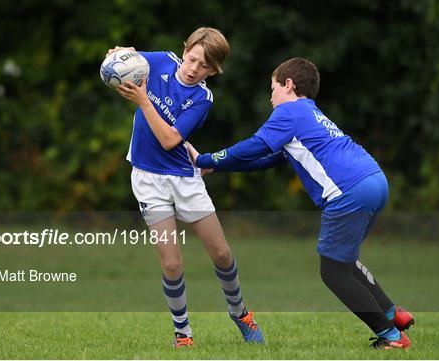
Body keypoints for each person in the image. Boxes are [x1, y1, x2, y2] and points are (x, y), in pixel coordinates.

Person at [186, 57, 415, 350]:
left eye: (273, 88)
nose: (270, 97)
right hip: (374, 180)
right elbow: (270, 157)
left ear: (289, 85)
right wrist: (219, 167)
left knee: (333, 272)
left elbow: (254, 145)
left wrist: (205, 159)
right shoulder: (310, 113)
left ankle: (392, 337)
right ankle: (392, 313)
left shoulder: (289, 112)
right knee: (343, 261)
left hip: (349, 191)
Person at [106, 27, 264, 348]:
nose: (194, 69)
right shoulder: (161, 61)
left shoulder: (201, 98)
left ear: (214, 70)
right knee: (172, 263)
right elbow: (122, 61)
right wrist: (118, 55)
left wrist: (142, 101)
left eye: (204, 66)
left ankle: (240, 313)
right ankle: (183, 334)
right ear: (185, 49)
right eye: (192, 59)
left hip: (184, 180)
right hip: (148, 181)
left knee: (221, 253)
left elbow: (169, 140)